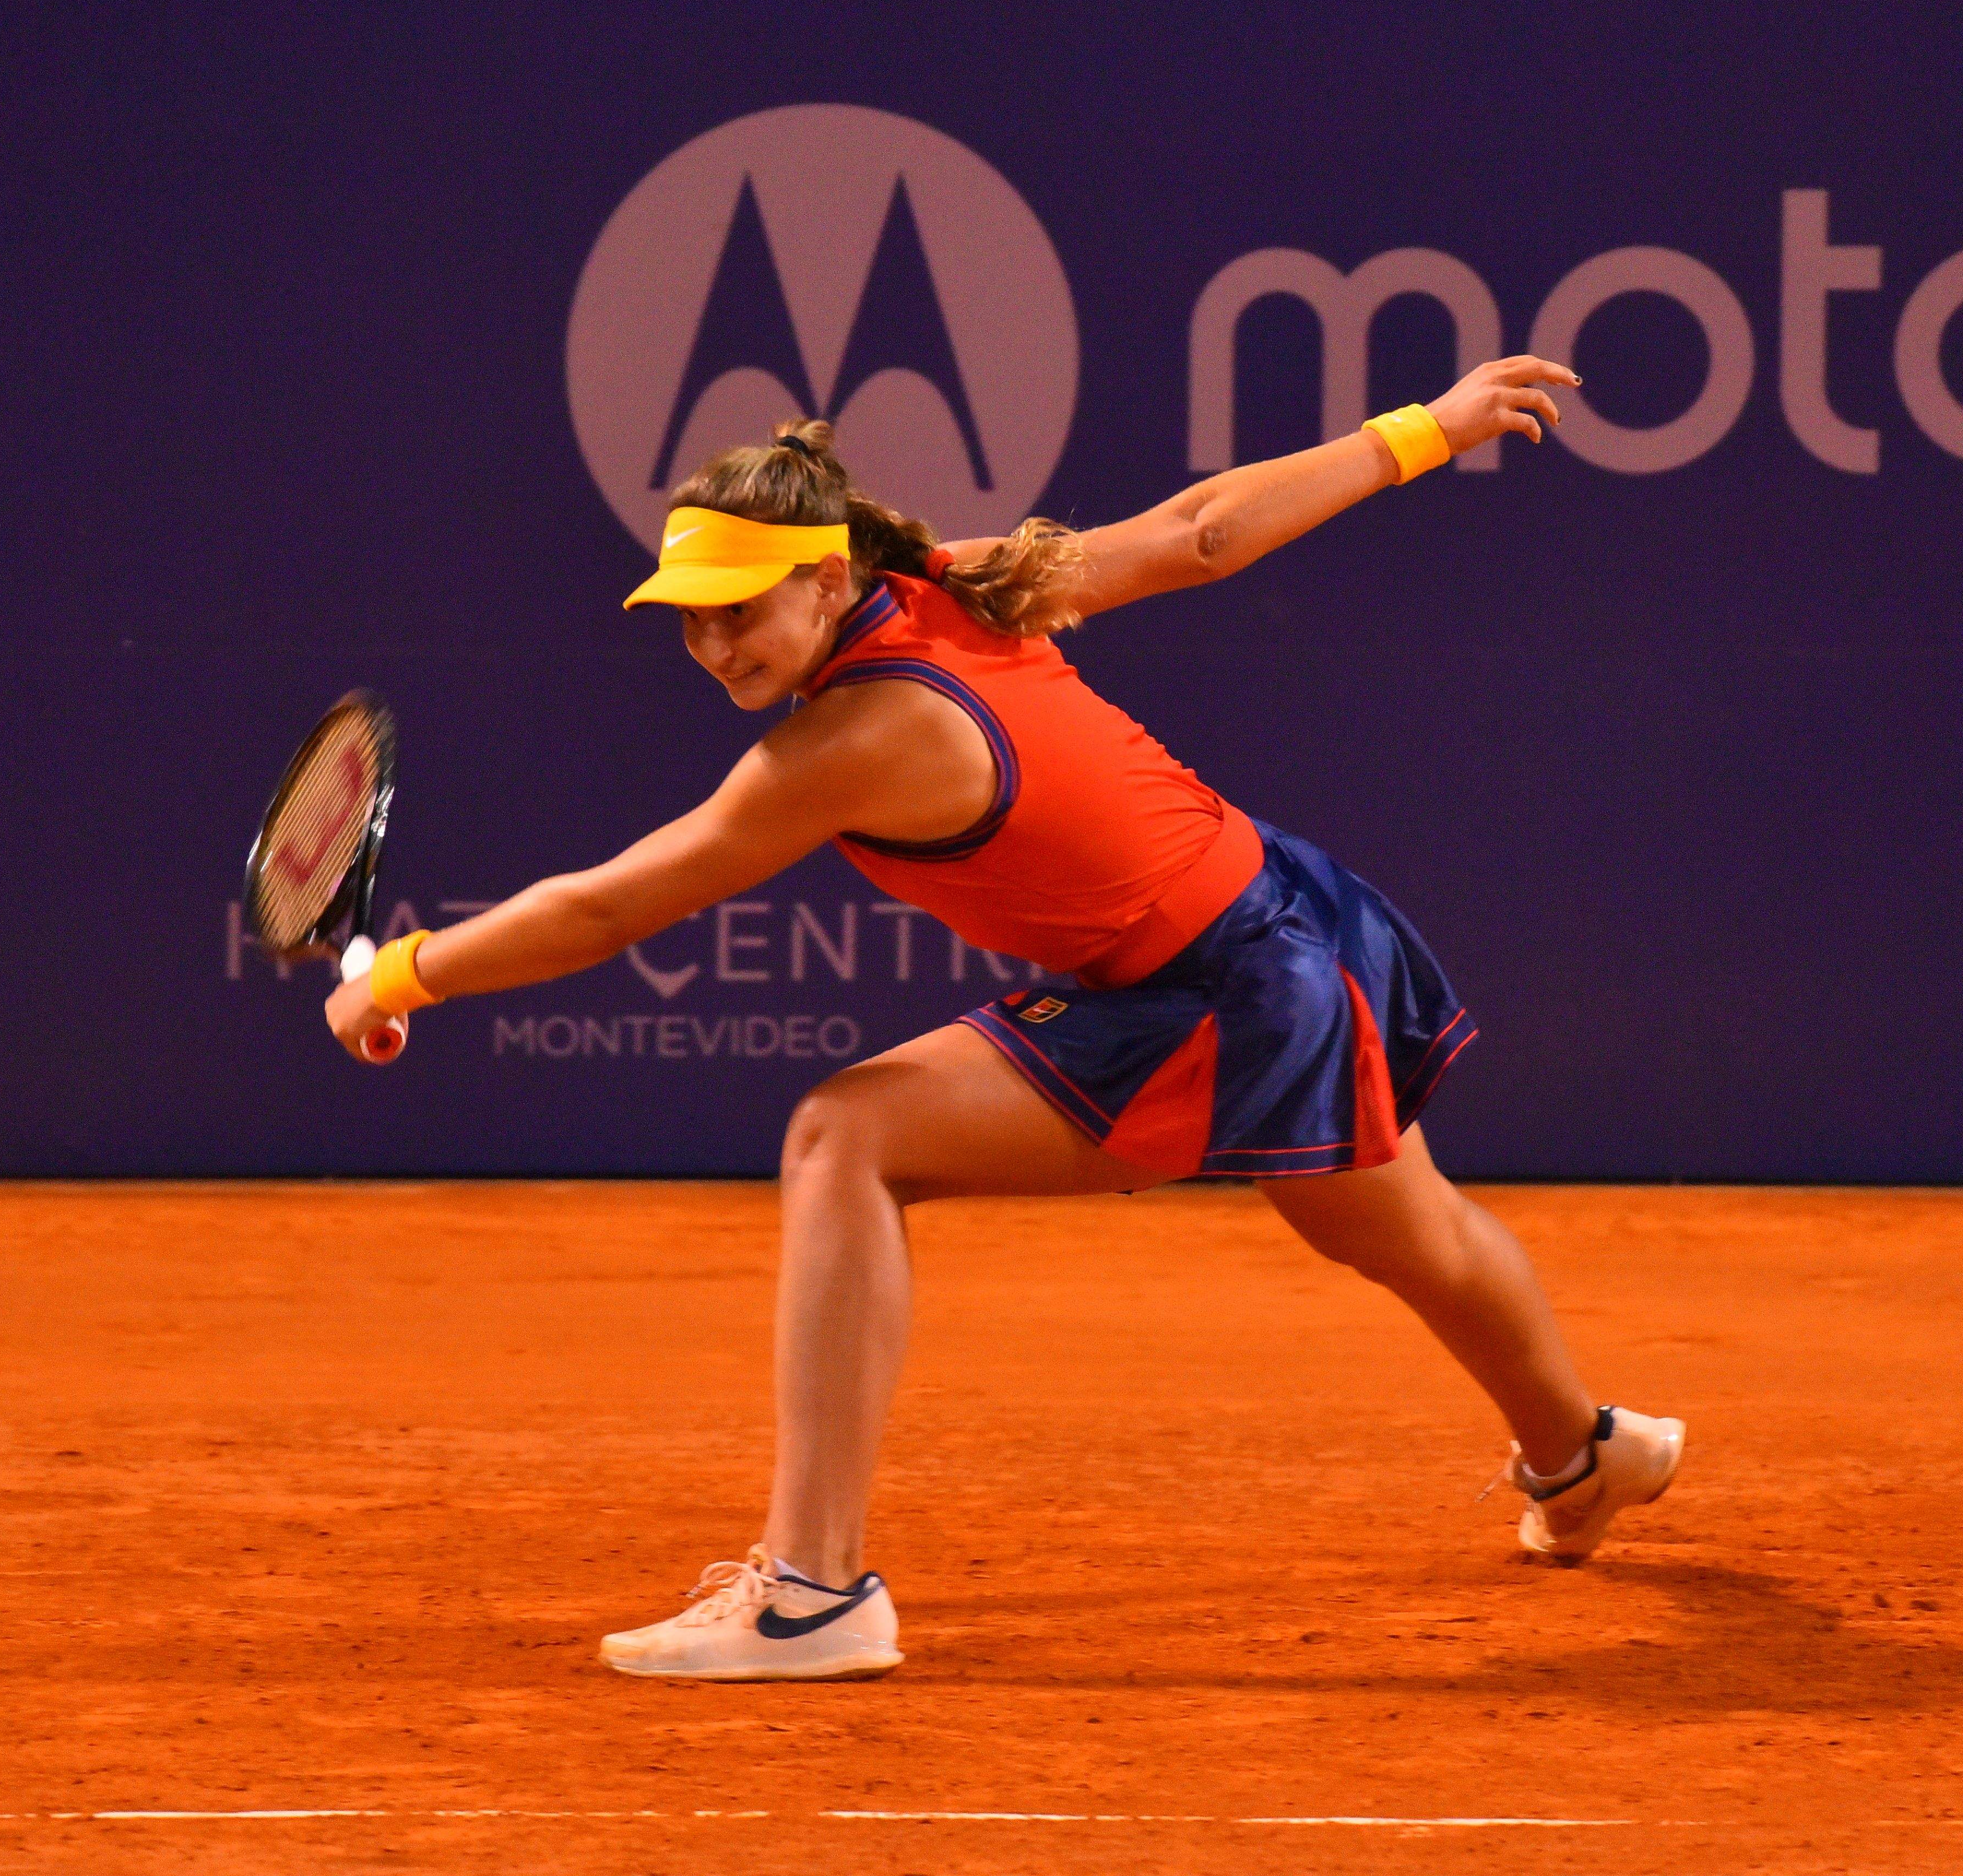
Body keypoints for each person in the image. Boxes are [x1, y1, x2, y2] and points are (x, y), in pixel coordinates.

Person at [322, 355, 1683, 1682]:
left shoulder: (852, 736)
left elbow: (607, 909)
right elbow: (1195, 536)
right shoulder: (943, 578)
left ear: (823, 578)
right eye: (691, 616)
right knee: (1409, 1232)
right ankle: (1582, 1453)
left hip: (1217, 988)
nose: (715, 642)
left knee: (841, 1137)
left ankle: (810, 1594)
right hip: (1279, 912)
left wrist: (401, 977)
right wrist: (1427, 429)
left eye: (741, 608)